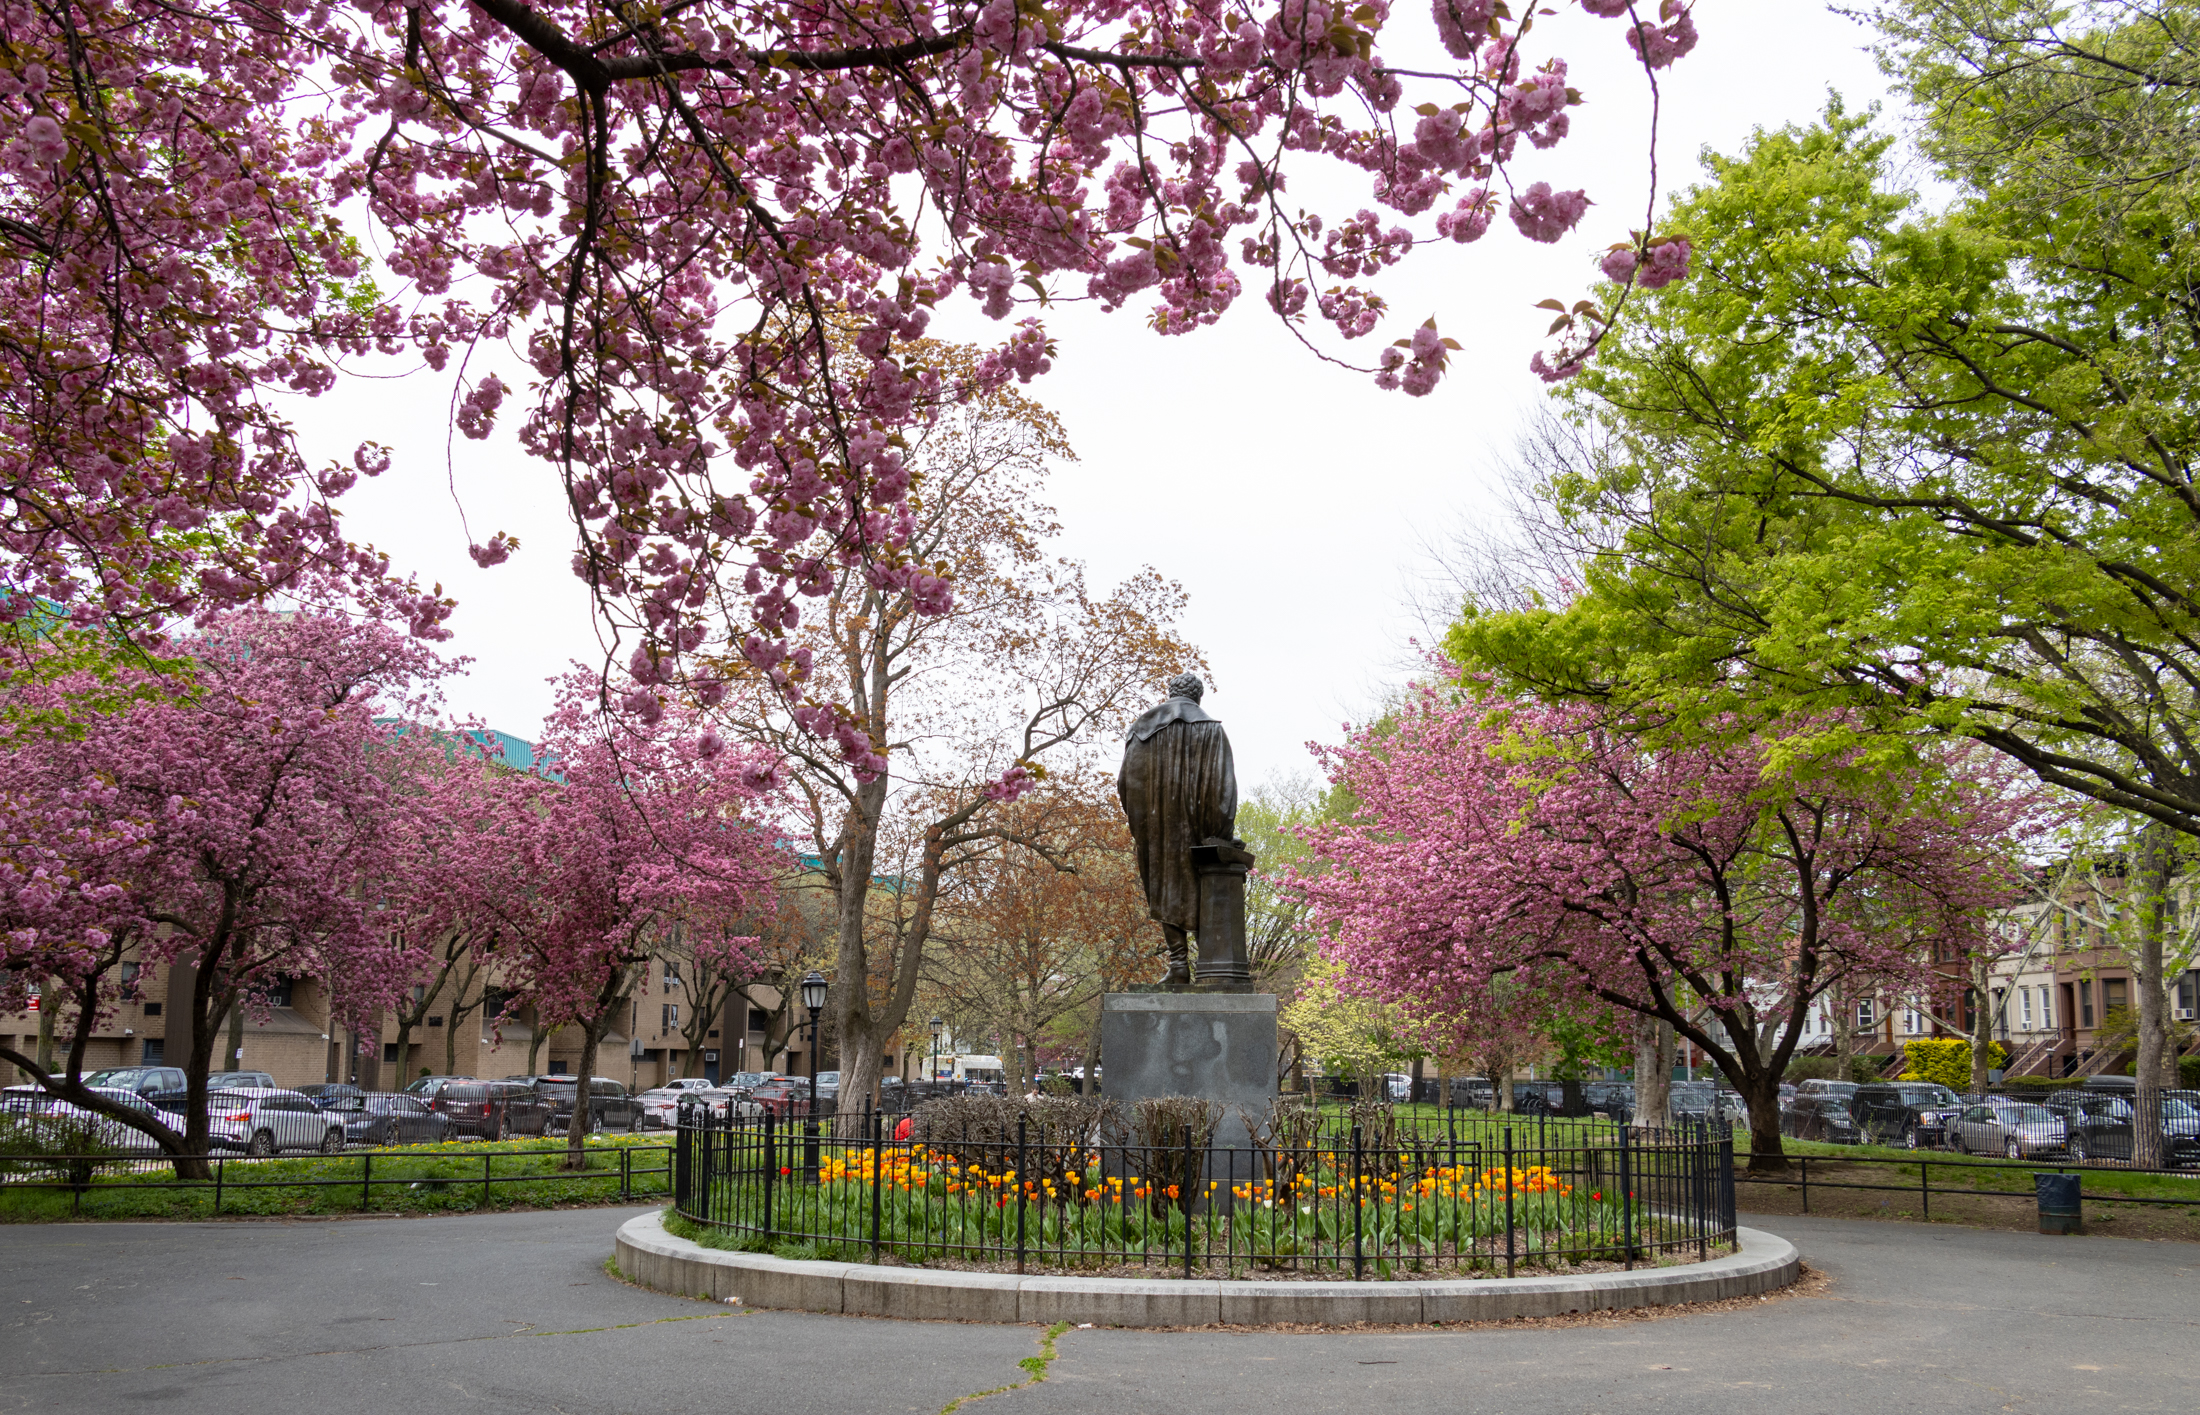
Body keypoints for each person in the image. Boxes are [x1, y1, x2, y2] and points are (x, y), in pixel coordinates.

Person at [1116, 673, 1237, 985]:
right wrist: (1221, 832)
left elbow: (1124, 783)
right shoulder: (1210, 729)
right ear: (1198, 698)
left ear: (1170, 694)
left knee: (1163, 889)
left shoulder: (1140, 730)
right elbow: (1223, 788)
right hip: (1198, 828)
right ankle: (1212, 964)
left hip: (1153, 830)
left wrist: (1143, 826)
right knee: (1201, 890)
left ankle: (1178, 962)